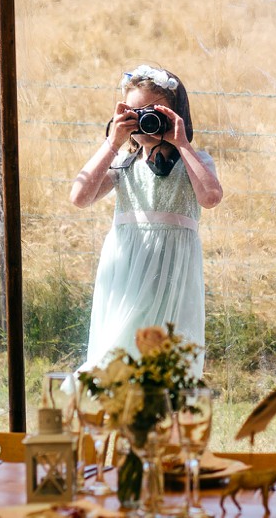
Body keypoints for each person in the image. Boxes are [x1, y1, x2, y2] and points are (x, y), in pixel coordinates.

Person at [70, 64, 224, 368]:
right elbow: (79, 197)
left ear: (177, 114)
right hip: (128, 266)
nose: (148, 123)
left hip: (173, 274)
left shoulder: (195, 161)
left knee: (168, 349)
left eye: (156, 114)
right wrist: (113, 142)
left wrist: (182, 142)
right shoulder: (125, 163)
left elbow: (210, 198)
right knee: (120, 344)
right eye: (136, 115)